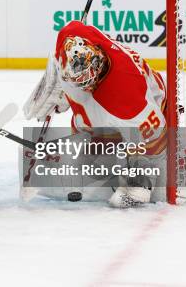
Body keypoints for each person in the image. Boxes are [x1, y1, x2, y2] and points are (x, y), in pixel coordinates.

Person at [23, 20, 167, 207]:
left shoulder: (126, 100)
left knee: (142, 175)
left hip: (148, 109)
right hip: (112, 105)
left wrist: (141, 178)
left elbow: (156, 140)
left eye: (85, 83)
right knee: (90, 158)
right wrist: (60, 81)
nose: (84, 87)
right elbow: (70, 34)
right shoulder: (73, 34)